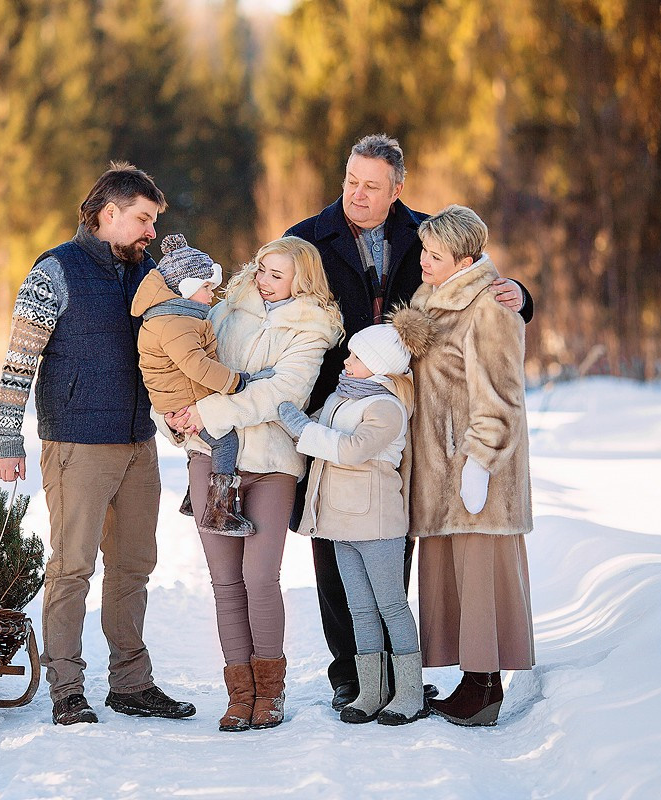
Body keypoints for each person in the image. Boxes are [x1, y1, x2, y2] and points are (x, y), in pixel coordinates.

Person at [285, 133, 535, 709]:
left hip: (402, 422)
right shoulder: (307, 239)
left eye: (372, 186)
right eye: (350, 181)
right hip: (332, 404)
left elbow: (478, 293)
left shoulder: (427, 236)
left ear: (398, 190)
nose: (357, 194)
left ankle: (400, 671)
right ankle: (350, 671)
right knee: (333, 547)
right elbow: (268, 293)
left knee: (390, 542)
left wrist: (519, 294)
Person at [0, 162, 196, 725]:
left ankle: (131, 684)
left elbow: (171, 350)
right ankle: (67, 689)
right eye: (143, 219)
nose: (150, 230)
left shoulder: (144, 271)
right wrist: (7, 438)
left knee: (133, 568)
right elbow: (18, 363)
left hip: (138, 443)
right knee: (72, 569)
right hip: (77, 443)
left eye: (153, 221)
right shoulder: (54, 270)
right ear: (109, 213)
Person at [165, 237, 343, 732]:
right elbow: (185, 370)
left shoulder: (312, 329)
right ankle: (239, 693)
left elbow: (281, 393)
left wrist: (209, 411)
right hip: (210, 459)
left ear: (301, 281)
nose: (263, 280)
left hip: (271, 462)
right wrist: (177, 419)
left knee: (259, 579)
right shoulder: (226, 311)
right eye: (262, 269)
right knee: (225, 583)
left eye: (277, 274)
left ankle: (270, 691)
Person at [276, 309, 436, 726]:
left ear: (379, 365)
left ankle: (410, 692)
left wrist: (300, 428)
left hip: (376, 522)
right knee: (359, 610)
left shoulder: (387, 407)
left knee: (391, 606)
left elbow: (349, 450)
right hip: (338, 521)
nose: (346, 362)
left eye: (355, 357)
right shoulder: (341, 396)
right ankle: (372, 690)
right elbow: (317, 430)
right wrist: (297, 421)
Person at [408, 204, 534, 726]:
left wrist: (478, 461)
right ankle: (468, 679)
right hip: (440, 468)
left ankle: (484, 688)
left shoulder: (490, 307)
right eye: (422, 251)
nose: (422, 261)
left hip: (474, 469)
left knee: (481, 575)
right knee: (452, 578)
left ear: (465, 258)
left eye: (434, 255)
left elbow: (503, 395)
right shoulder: (429, 301)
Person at [131, 233, 273, 537]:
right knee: (224, 441)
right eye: (207, 287)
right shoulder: (176, 323)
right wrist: (233, 382)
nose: (212, 293)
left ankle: (193, 498)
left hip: (176, 396)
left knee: (201, 441)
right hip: (182, 398)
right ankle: (219, 510)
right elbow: (196, 365)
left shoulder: (175, 317)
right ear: (187, 288)